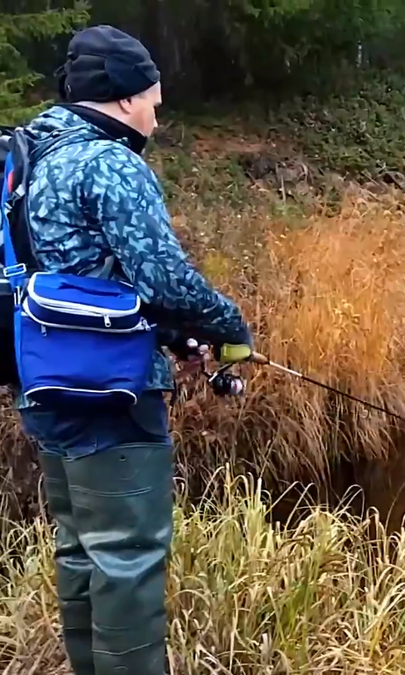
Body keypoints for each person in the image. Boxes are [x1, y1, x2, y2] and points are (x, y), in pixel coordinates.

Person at [14, 25, 253, 675]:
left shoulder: (23, 155)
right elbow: (167, 280)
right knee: (127, 557)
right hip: (111, 392)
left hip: (42, 385)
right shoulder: (108, 163)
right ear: (121, 98)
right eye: (152, 97)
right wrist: (232, 330)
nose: (157, 110)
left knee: (82, 549)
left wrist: (172, 334)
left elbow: (75, 272)